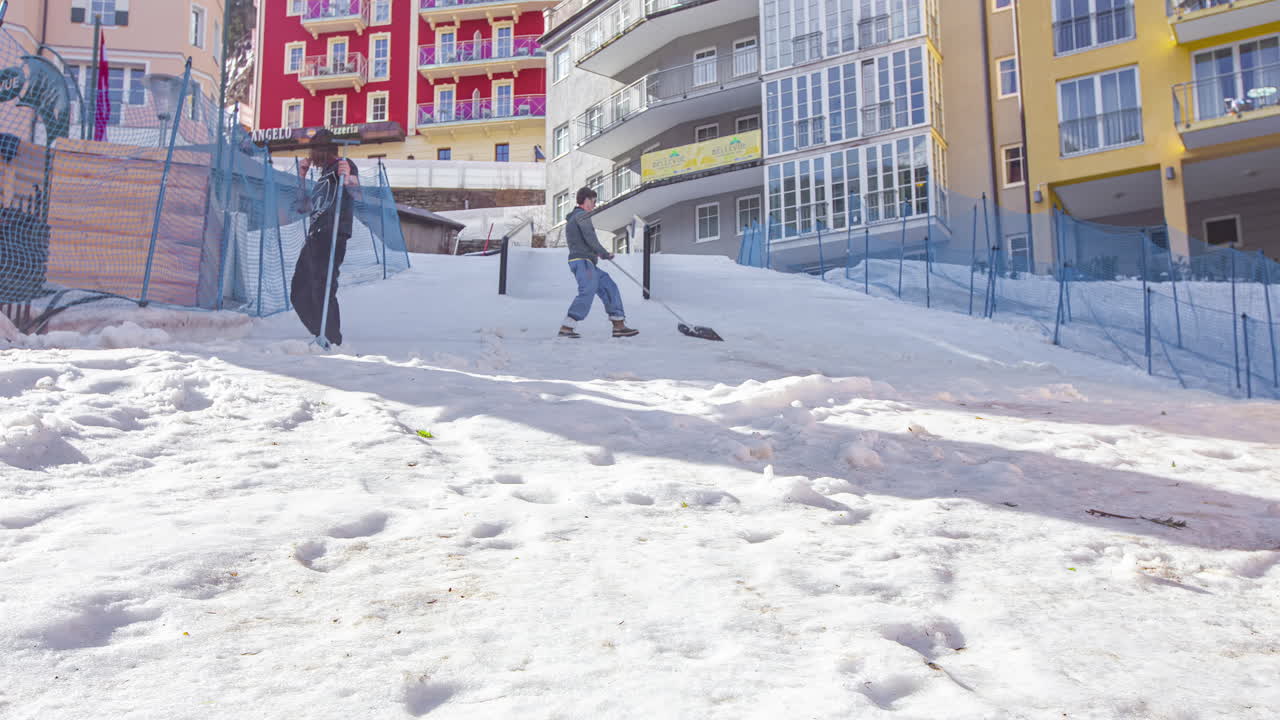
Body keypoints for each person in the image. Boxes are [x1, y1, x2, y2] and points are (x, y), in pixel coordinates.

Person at [292, 129, 359, 347]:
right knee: (299, 290)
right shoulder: (322, 177)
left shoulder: (344, 164)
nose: (311, 157)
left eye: (314, 151)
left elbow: (358, 195)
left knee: (323, 287)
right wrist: (301, 178)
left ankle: (331, 338)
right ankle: (321, 333)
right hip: (315, 235)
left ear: (322, 150)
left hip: (333, 234)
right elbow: (303, 207)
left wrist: (348, 177)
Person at [560, 187, 639, 339]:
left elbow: (585, 240)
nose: (594, 205)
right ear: (586, 199)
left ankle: (619, 325)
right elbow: (590, 238)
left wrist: (597, 253)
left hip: (588, 262)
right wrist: (603, 253)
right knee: (588, 289)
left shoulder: (577, 217)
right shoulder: (581, 216)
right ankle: (567, 327)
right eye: (593, 201)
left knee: (609, 286)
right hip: (581, 261)